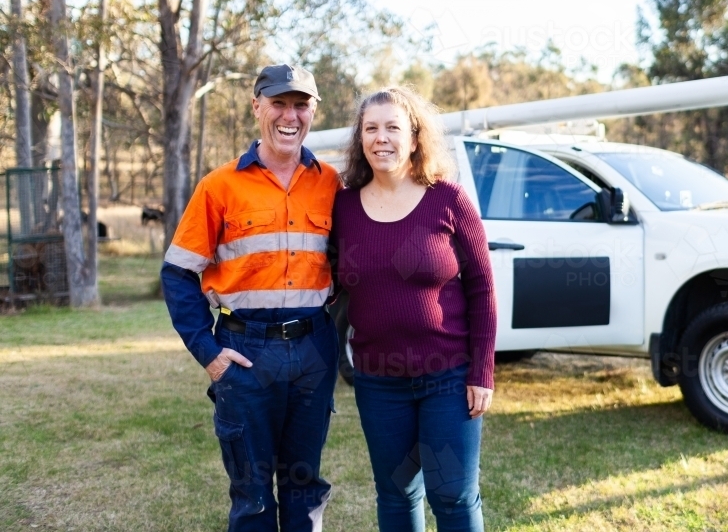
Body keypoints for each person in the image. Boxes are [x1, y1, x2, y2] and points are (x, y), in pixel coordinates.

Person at [161, 64, 341, 532]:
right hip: (244, 352)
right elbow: (179, 272)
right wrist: (209, 353)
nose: (290, 115)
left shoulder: (331, 184)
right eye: (278, 103)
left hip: (313, 347)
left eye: (300, 105)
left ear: (313, 111)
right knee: (253, 495)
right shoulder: (219, 186)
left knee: (305, 488)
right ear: (256, 106)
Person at [333, 86, 497, 532]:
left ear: (415, 137)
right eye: (371, 128)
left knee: (453, 496)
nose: (380, 138)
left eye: (392, 127)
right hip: (377, 381)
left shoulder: (448, 200)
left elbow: (482, 289)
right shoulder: (343, 207)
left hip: (448, 377)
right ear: (360, 139)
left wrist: (481, 371)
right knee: (397, 492)